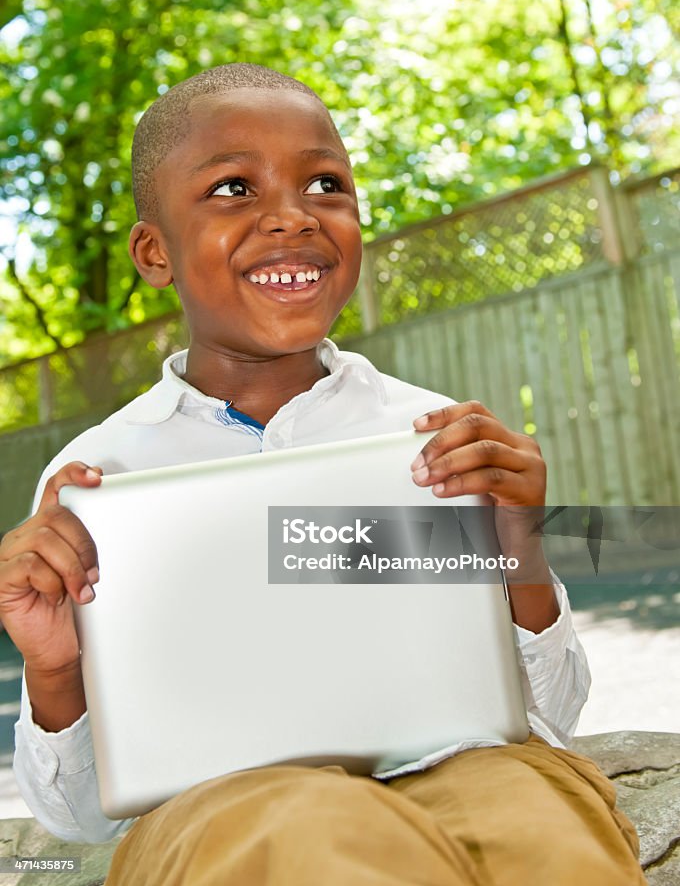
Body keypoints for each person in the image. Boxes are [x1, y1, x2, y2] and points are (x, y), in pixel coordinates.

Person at [3, 64, 645, 884]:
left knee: (537, 832)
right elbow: (79, 817)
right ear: (154, 251)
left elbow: (547, 718)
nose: (291, 215)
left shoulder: (431, 436)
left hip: (470, 768)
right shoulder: (98, 478)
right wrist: (56, 669)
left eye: (325, 183)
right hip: (224, 806)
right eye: (234, 187)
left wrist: (515, 544)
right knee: (309, 829)